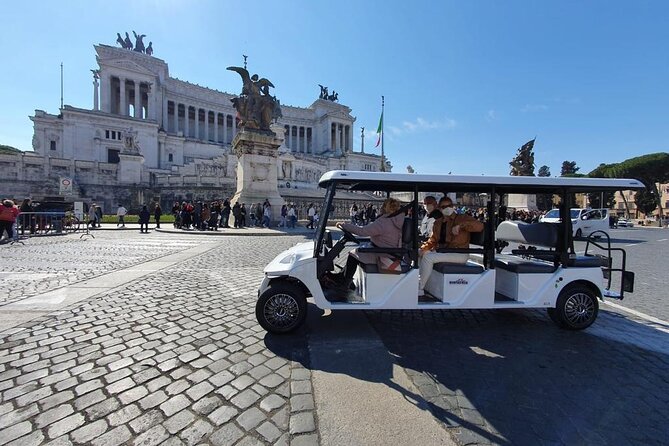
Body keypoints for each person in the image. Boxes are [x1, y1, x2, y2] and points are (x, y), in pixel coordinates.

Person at [332, 198, 406, 291]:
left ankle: (344, 284)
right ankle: (342, 278)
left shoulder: (384, 222)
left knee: (353, 255)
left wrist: (345, 225)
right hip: (388, 251)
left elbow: (362, 231)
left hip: (382, 254)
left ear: (385, 208)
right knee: (356, 252)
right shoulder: (396, 220)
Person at [418, 197, 484, 297]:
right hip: (445, 251)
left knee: (428, 257)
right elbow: (433, 240)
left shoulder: (462, 218)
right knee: (421, 253)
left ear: (453, 206)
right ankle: (425, 285)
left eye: (450, 205)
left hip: (459, 253)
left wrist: (461, 226)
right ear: (440, 209)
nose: (447, 208)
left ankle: (419, 288)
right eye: (444, 206)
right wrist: (424, 248)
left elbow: (479, 226)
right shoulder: (438, 222)